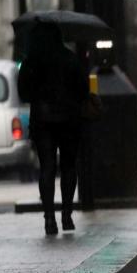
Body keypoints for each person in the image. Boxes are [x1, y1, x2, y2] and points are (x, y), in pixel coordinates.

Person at [17, 22, 88, 235]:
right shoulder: (70, 58)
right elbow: (83, 91)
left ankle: (49, 218)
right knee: (68, 166)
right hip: (69, 120)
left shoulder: (31, 61)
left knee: (47, 167)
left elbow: (23, 93)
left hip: (43, 121)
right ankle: (67, 214)